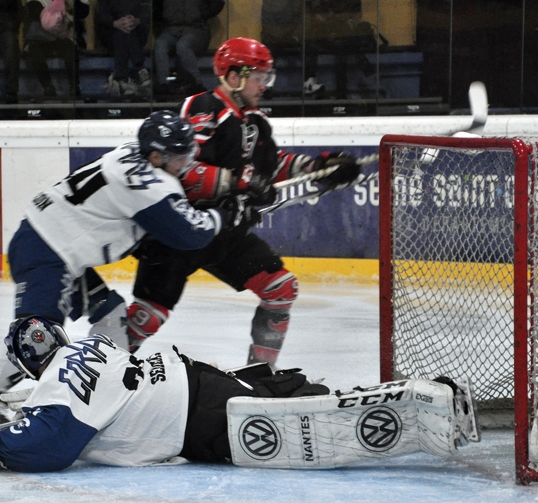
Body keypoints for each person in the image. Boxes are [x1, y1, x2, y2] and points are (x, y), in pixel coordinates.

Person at [0, 111, 240, 430]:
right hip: (50, 252)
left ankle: (101, 397)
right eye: (181, 156)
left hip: (49, 242)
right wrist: (225, 215)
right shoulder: (150, 184)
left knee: (112, 316)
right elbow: (190, 233)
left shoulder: (129, 154)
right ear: (156, 155)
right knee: (37, 336)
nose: (186, 163)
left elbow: (158, 201)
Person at [0, 315, 480, 472]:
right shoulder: (89, 346)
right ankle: (418, 394)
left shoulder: (61, 377)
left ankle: (410, 406)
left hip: (201, 418)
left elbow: (49, 445)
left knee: (308, 421)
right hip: (202, 378)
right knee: (300, 391)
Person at [126, 37, 363, 368]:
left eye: (267, 78)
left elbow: (271, 165)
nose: (264, 85)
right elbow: (182, 168)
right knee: (147, 317)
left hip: (226, 234)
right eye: (259, 77)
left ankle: (261, 373)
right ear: (234, 76)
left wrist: (318, 168)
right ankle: (96, 370)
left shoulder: (255, 122)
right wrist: (239, 182)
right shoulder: (203, 108)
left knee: (280, 288)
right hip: (180, 232)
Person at [152, 0, 223, 97]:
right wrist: (164, 18)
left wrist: (201, 15)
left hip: (197, 29)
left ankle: (196, 84)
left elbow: (218, 3)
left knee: (183, 46)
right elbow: (154, 6)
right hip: (170, 29)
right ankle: (163, 85)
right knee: (160, 45)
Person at [23, 0, 89, 99]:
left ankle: (74, 86)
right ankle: (48, 87)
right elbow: (33, 11)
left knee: (70, 47)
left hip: (66, 36)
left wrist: (70, 6)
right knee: (34, 50)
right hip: (42, 37)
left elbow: (83, 11)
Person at [96, 0, 150, 98]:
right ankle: (140, 69)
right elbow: (101, 16)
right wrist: (115, 23)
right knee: (121, 34)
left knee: (125, 33)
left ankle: (121, 79)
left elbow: (146, 12)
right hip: (110, 33)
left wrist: (136, 21)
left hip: (135, 32)